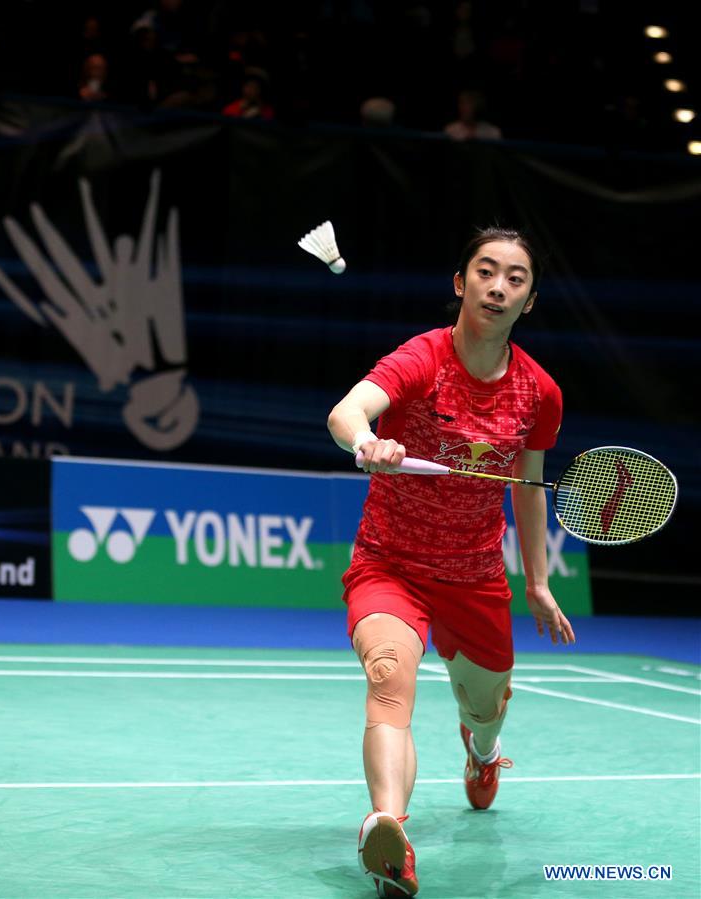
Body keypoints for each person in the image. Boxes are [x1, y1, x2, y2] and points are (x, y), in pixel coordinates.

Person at [327, 227, 576, 897]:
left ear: (529, 299)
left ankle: (484, 751)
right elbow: (347, 410)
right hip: (390, 563)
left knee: (486, 705)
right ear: (460, 283)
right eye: (486, 272)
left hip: (474, 576)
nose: (498, 286)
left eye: (515, 278)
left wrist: (540, 581)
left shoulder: (539, 394)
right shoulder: (424, 358)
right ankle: (386, 825)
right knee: (388, 678)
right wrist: (368, 439)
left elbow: (528, 491)